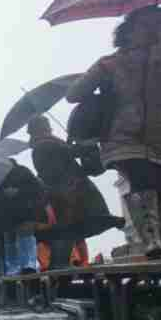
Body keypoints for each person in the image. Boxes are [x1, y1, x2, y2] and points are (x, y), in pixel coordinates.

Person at [67, 6, 161, 260]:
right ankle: (152, 240)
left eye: (160, 24)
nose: (154, 29)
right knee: (142, 180)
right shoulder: (109, 64)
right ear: (130, 30)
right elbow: (74, 94)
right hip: (123, 137)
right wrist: (101, 86)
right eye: (148, 25)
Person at [26, 115, 123, 269]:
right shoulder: (45, 145)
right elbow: (58, 166)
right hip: (67, 194)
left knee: (69, 230)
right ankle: (59, 266)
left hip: (68, 193)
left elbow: (68, 156)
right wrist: (78, 146)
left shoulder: (47, 144)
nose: (48, 129)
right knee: (68, 230)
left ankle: (59, 266)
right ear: (39, 129)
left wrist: (71, 145)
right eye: (45, 126)